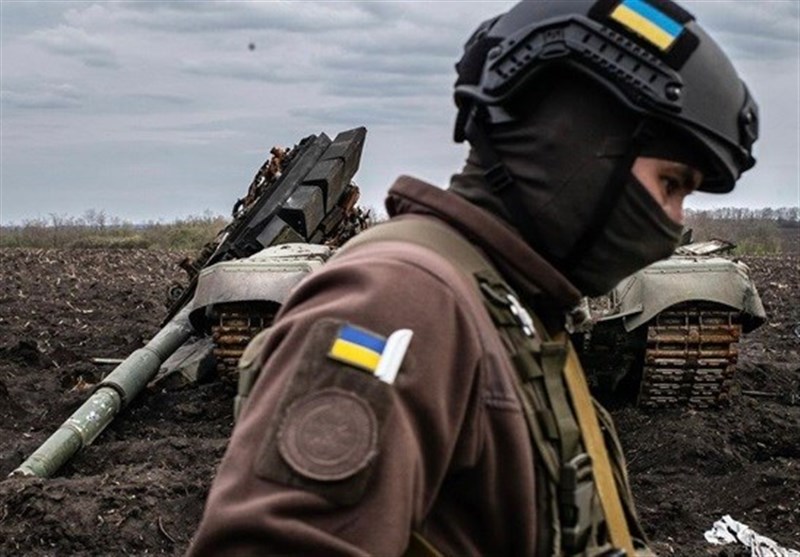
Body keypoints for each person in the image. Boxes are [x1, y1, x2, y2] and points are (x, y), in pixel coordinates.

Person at [187, 0, 758, 555]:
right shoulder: (398, 305)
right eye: (670, 184)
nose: (674, 221)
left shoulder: (513, 309)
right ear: (575, 144)